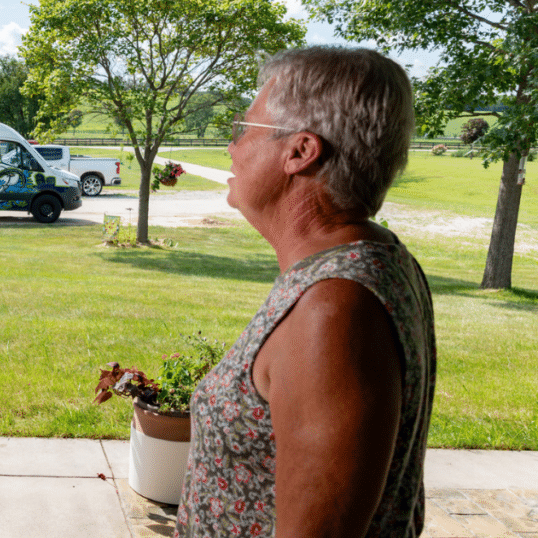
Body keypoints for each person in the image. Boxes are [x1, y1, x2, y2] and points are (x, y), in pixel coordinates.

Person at [174, 46, 436, 538]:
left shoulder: (335, 309)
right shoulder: (368, 261)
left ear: (299, 151)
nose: (231, 147)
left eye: (244, 129)